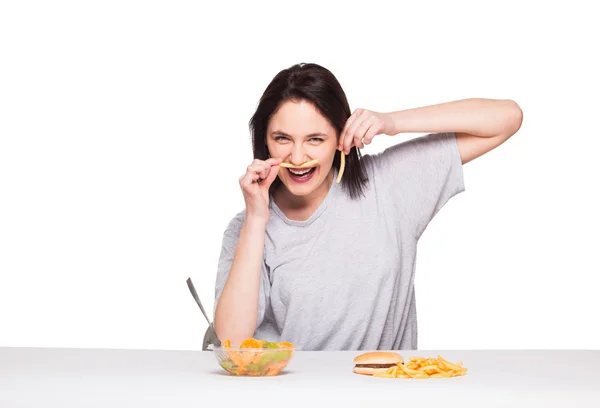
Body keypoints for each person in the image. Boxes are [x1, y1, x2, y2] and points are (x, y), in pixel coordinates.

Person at [212, 62, 523, 351]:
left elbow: (507, 118)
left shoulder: (389, 184)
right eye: (282, 138)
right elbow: (232, 342)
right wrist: (256, 217)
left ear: (340, 138)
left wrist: (392, 122)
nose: (297, 157)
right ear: (265, 141)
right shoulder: (246, 228)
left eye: (315, 139)